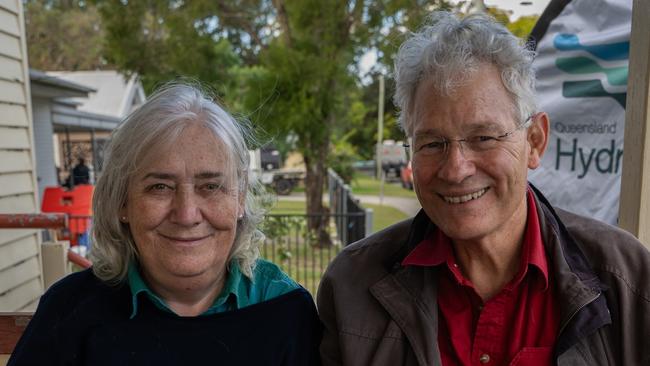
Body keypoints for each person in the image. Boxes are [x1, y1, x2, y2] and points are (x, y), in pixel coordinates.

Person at [317, 11, 650, 366]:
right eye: (432, 143)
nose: (456, 169)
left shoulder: (627, 279)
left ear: (534, 141)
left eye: (483, 137)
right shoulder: (351, 286)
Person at [9, 83, 321, 365]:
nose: (186, 215)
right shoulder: (69, 311)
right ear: (122, 202)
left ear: (240, 198)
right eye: (160, 187)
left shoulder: (285, 310)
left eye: (210, 186)